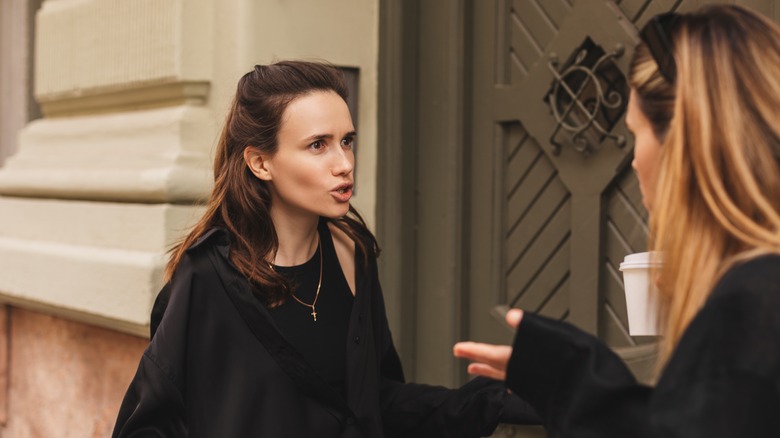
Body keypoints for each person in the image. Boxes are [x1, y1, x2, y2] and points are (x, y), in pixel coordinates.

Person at [112, 60, 537, 437]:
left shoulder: (353, 256)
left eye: (347, 140)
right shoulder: (207, 276)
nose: (344, 163)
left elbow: (377, 402)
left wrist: (497, 400)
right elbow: (150, 423)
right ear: (260, 162)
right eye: (318, 145)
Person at [454, 4, 780, 437]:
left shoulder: (751, 307)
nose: (634, 158)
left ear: (683, 143)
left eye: (635, 132)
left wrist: (577, 381)